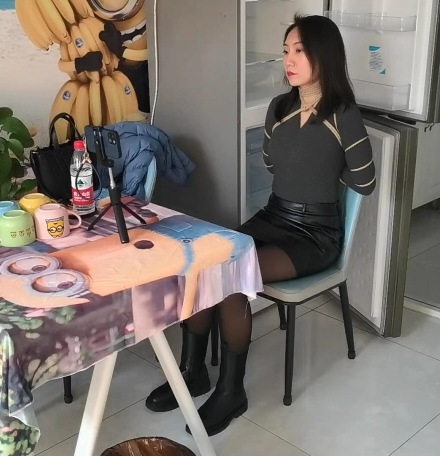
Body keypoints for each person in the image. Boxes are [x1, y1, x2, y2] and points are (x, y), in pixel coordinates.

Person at [144, 14, 376, 435]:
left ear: (324, 55)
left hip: (315, 234)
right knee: (205, 258)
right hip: (275, 215)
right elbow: (272, 163)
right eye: (286, 51)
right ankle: (193, 372)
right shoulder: (279, 108)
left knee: (233, 274)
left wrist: (327, 168)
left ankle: (232, 392)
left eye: (299, 50)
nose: (289, 60)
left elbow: (365, 182)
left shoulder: (344, 115)